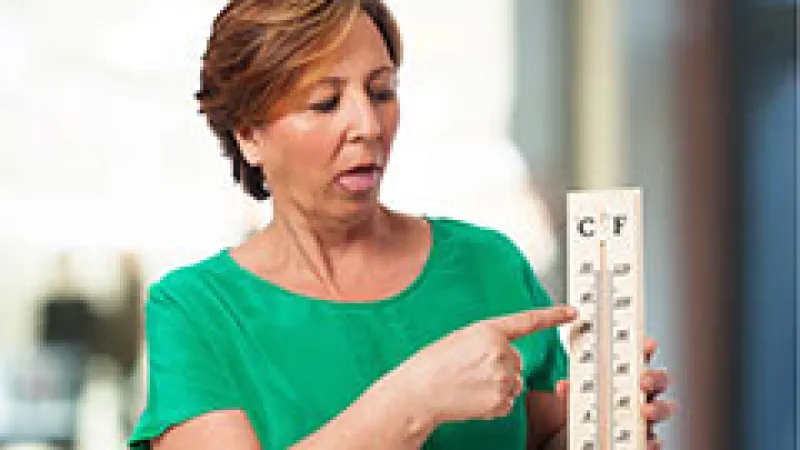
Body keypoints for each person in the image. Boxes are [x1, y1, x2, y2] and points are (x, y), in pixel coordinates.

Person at [128, 1, 675, 449]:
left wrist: (603, 425)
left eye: (382, 91)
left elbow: (539, 436)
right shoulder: (195, 310)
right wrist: (415, 400)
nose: (368, 125)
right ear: (249, 135)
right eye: (325, 103)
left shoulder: (489, 264)